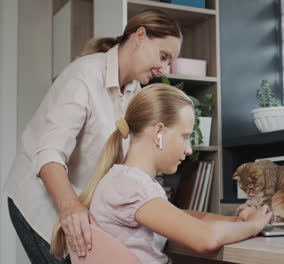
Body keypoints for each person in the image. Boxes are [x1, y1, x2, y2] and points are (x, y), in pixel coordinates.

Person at [4, 8, 182, 264]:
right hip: (42, 201)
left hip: (79, 206)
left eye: (169, 62)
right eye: (163, 56)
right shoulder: (84, 75)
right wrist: (70, 207)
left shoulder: (134, 93)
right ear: (140, 36)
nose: (164, 68)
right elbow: (49, 153)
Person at [49, 84, 273, 263]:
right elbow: (205, 238)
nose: (188, 150)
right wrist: (252, 226)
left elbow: (183, 217)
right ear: (158, 133)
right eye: (185, 136)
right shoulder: (131, 186)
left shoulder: (126, 181)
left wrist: (233, 220)